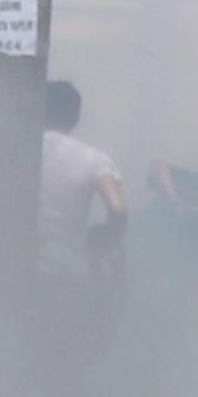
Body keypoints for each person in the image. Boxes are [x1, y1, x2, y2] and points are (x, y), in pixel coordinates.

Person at [38, 80, 129, 347]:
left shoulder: (17, 148)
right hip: (67, 272)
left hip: (15, 264)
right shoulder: (92, 158)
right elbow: (118, 207)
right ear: (75, 117)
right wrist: (105, 240)